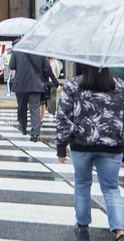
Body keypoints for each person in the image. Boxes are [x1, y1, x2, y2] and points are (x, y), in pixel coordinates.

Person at [56, 65, 124, 241]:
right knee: (111, 188)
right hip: (112, 144)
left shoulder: (72, 86)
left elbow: (63, 116)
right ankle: (120, 231)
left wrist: (61, 147)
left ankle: (83, 227)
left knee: (82, 184)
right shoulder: (120, 86)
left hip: (81, 143)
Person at [9, 51, 60, 142]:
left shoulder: (17, 50)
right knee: (35, 108)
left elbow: (12, 66)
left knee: (21, 107)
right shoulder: (39, 51)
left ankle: (23, 127)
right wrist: (56, 83)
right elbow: (47, 68)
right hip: (36, 84)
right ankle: (35, 133)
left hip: (20, 84)